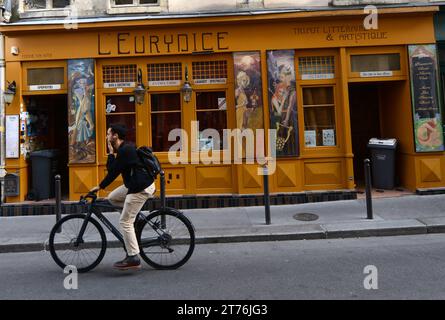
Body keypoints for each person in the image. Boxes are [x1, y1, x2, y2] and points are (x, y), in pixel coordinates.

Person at [90, 124, 156, 271]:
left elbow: (113, 172)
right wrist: (111, 152)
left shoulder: (126, 150)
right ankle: (135, 220)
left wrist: (100, 186)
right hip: (133, 184)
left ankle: (133, 257)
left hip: (140, 187)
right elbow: (112, 168)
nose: (107, 137)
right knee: (113, 198)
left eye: (108, 134)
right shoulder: (122, 149)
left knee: (125, 222)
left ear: (115, 136)